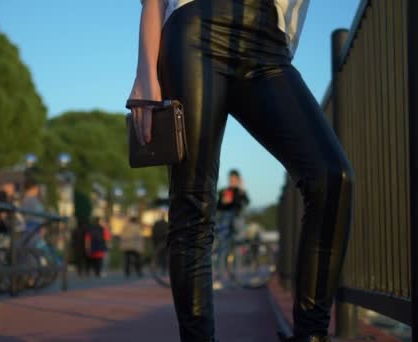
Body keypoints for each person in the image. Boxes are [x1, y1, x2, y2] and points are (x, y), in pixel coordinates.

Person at [128, 1, 354, 341]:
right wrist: (145, 73)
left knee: (332, 177)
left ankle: (311, 335)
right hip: (195, 27)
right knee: (193, 206)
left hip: (269, 44)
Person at [213, 169, 250, 289]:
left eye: (234, 179)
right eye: (231, 179)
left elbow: (245, 203)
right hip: (225, 220)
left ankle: (236, 278)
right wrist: (223, 202)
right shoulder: (224, 191)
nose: (232, 181)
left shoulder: (241, 192)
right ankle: (219, 278)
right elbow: (219, 206)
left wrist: (243, 190)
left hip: (238, 221)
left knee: (237, 250)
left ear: (238, 180)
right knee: (222, 249)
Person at [151, 209, 169, 275]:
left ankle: (159, 267)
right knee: (165, 255)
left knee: (159, 255)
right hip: (165, 242)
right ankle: (164, 268)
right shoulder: (167, 224)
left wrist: (154, 242)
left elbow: (153, 233)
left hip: (158, 242)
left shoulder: (156, 224)